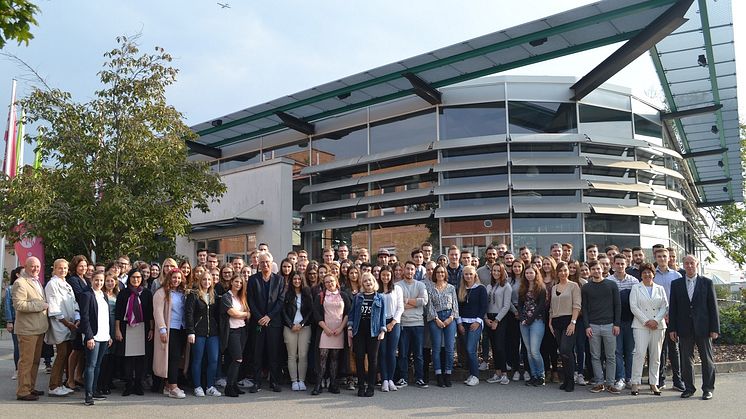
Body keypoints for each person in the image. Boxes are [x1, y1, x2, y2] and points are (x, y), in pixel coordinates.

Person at [669, 255, 720, 400]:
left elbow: (713, 307)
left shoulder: (707, 283)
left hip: (704, 328)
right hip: (684, 328)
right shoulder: (676, 284)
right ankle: (689, 388)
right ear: (683, 265)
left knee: (707, 359)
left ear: (697, 264)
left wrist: (715, 328)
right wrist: (672, 328)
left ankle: (708, 389)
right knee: (686, 359)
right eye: (686, 263)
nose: (689, 266)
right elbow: (673, 308)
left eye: (692, 263)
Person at [247, 252, 286, 392]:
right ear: (258, 263)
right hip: (258, 323)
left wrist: (269, 316)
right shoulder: (253, 280)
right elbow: (250, 300)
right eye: (262, 262)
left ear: (272, 262)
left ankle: (274, 382)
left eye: (267, 261)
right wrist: (259, 318)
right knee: (257, 353)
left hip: (273, 322)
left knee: (274, 353)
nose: (265, 264)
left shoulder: (279, 280)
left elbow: (281, 301)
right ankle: (256, 382)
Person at [12, 257, 49, 401]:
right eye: (32, 266)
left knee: (34, 361)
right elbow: (19, 305)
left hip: (38, 328)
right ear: (25, 266)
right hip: (27, 330)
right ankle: (22, 391)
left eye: (38, 266)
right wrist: (41, 306)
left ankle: (30, 387)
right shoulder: (20, 283)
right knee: (26, 362)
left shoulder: (37, 281)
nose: (35, 269)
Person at [582, 260, 621, 394]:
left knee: (611, 356)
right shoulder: (586, 288)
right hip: (593, 326)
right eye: (593, 269)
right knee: (595, 356)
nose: (596, 271)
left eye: (598, 269)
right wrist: (587, 326)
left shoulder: (611, 285)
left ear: (602, 269)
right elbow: (585, 308)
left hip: (610, 326)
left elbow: (617, 306)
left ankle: (610, 383)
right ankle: (599, 383)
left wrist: (617, 324)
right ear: (590, 271)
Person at [114, 268, 154, 396]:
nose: (136, 280)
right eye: (133, 277)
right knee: (128, 358)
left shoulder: (147, 293)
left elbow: (150, 314)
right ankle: (129, 384)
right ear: (129, 278)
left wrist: (152, 329)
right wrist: (117, 330)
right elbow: (118, 314)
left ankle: (138, 383)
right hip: (127, 327)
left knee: (141, 358)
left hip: (142, 327)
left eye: (138, 277)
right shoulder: (123, 293)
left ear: (142, 279)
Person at [629, 263, 667, 396]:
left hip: (658, 325)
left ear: (653, 274)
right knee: (639, 354)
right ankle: (635, 382)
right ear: (641, 274)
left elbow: (664, 306)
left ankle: (654, 383)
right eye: (644, 272)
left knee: (656, 355)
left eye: (649, 272)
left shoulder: (660, 288)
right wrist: (646, 321)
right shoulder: (636, 288)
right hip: (641, 325)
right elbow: (633, 307)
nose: (647, 274)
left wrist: (655, 320)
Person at [311, 275, 351, 395]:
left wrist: (341, 328)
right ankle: (318, 384)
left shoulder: (343, 295)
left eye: (332, 281)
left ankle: (333, 384)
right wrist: (326, 328)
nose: (329, 283)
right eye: (327, 282)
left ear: (336, 281)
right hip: (325, 331)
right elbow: (316, 314)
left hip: (339, 331)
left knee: (335, 358)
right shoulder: (321, 296)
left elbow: (348, 313)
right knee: (322, 358)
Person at [153, 268, 189, 399]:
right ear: (169, 278)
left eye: (179, 278)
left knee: (177, 358)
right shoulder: (161, 292)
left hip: (181, 328)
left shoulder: (181, 293)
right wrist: (162, 329)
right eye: (174, 277)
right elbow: (157, 312)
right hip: (169, 328)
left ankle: (168, 386)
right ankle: (173, 386)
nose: (176, 280)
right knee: (172, 358)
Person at [44, 259, 78, 397]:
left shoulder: (66, 284)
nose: (63, 270)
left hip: (69, 324)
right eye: (60, 268)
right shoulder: (52, 284)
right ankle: (53, 386)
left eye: (65, 268)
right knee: (61, 355)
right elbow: (54, 307)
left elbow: (74, 303)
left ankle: (59, 384)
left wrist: (77, 318)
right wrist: (66, 323)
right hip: (60, 325)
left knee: (64, 355)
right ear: (54, 269)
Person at [348, 273, 386, 397]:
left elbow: (382, 316)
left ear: (374, 282)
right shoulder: (358, 297)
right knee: (359, 358)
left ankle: (370, 386)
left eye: (370, 280)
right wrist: (350, 327)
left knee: (372, 359)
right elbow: (352, 314)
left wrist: (382, 330)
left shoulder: (380, 298)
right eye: (365, 281)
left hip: (374, 332)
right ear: (362, 284)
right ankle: (361, 386)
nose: (368, 283)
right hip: (359, 331)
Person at [185, 271, 222, 397]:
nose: (207, 282)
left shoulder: (214, 294)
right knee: (197, 360)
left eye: (209, 280)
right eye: (204, 279)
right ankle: (197, 386)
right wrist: (190, 331)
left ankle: (210, 386)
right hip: (198, 332)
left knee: (213, 360)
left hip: (213, 333)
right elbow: (189, 314)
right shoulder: (194, 295)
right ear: (200, 281)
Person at [78, 273, 112, 405]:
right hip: (93, 336)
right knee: (90, 365)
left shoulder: (103, 295)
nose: (99, 283)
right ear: (91, 281)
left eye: (101, 280)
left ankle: (94, 389)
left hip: (104, 335)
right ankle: (88, 394)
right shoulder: (87, 295)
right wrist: (89, 336)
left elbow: (106, 317)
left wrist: (109, 335)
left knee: (98, 365)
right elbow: (85, 318)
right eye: (96, 280)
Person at [653, 247, 684, 391]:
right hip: (657, 318)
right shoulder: (652, 275)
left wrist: (673, 315)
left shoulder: (677, 276)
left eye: (664, 256)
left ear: (669, 258)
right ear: (655, 258)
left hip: (674, 318)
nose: (662, 259)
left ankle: (677, 380)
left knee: (674, 350)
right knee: (660, 350)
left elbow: (680, 298)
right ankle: (660, 379)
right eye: (659, 256)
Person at [548, 261, 581, 392]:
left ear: (569, 271)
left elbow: (577, 306)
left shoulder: (574, 286)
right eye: (560, 270)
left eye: (565, 270)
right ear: (557, 272)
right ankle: (566, 380)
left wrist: (573, 323)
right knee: (562, 352)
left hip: (569, 321)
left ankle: (571, 381)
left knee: (566, 350)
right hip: (556, 323)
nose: (563, 273)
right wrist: (550, 322)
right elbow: (551, 307)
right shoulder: (554, 288)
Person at [397, 260, 429, 388]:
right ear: (404, 270)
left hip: (418, 323)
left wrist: (407, 301)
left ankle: (419, 378)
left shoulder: (420, 285)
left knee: (418, 354)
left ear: (415, 271)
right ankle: (403, 378)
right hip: (404, 323)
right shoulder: (398, 285)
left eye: (412, 269)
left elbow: (424, 301)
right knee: (403, 353)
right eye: (408, 268)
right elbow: (398, 306)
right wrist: (414, 302)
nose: (410, 271)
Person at [608, 254, 638, 391]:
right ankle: (619, 378)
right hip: (615, 323)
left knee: (630, 351)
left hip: (631, 322)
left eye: (622, 264)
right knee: (617, 351)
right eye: (617, 263)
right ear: (613, 265)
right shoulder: (608, 281)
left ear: (626, 264)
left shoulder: (634, 281)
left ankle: (630, 378)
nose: (620, 266)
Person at [425, 264, 458, 388]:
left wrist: (450, 318)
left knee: (449, 348)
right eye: (438, 272)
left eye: (442, 272)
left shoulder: (451, 288)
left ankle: (447, 374)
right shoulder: (430, 288)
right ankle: (438, 374)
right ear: (435, 274)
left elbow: (455, 305)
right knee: (436, 348)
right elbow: (429, 306)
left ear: (445, 274)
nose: (440, 274)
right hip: (435, 318)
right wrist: (436, 319)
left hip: (449, 317)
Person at [219, 274, 250, 397]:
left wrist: (243, 314)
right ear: (231, 282)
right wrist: (245, 314)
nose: (238, 284)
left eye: (240, 283)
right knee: (237, 359)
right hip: (232, 331)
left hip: (242, 330)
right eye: (236, 281)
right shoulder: (227, 297)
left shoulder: (241, 297)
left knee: (237, 360)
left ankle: (234, 385)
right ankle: (229, 387)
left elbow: (247, 313)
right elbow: (232, 313)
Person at [457, 265, 488, 386]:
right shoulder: (460, 289)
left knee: (471, 349)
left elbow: (483, 306)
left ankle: (475, 376)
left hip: (476, 323)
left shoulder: (481, 288)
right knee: (467, 350)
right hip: (463, 323)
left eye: (471, 274)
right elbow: (457, 308)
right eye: (466, 274)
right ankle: (471, 374)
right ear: (463, 276)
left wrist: (478, 321)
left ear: (475, 275)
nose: (468, 276)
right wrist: (459, 323)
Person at [282, 272, 313, 391]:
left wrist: (302, 324)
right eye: (294, 279)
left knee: (303, 355)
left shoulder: (307, 293)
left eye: (299, 279)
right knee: (291, 355)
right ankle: (294, 381)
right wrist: (291, 325)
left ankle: (302, 380)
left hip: (304, 327)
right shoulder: (287, 294)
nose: (297, 281)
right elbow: (283, 311)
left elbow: (310, 311)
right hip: (289, 328)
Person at [518, 264, 546, 386]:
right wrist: (522, 318)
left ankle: (541, 375)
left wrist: (530, 320)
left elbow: (541, 307)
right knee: (529, 351)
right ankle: (534, 375)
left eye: (531, 273)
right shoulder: (522, 287)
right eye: (527, 273)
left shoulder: (541, 288)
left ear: (536, 274)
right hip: (523, 322)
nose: (529, 275)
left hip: (537, 321)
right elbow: (520, 304)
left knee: (535, 350)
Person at [484, 263, 511, 385]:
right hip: (489, 317)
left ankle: (505, 374)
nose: (495, 273)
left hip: (500, 318)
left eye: (498, 271)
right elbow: (485, 304)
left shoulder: (506, 286)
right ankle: (497, 373)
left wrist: (496, 320)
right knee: (494, 347)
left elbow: (506, 306)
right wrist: (485, 318)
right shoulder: (488, 286)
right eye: (494, 270)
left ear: (502, 272)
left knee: (500, 346)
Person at [378, 265, 404, 391]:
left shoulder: (397, 289)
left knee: (391, 353)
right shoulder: (376, 289)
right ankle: (384, 380)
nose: (385, 277)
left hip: (394, 323)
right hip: (380, 324)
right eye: (383, 275)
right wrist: (383, 324)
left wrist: (392, 323)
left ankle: (391, 380)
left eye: (388, 275)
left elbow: (400, 307)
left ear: (391, 275)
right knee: (382, 352)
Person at [97, 273, 119, 395]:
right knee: (103, 357)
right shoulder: (101, 295)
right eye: (107, 281)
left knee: (111, 356)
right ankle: (100, 383)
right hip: (104, 324)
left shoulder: (117, 294)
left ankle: (108, 382)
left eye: (112, 281)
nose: (110, 283)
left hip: (114, 325)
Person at [5, 266, 23, 380]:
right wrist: (9, 321)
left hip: (27, 321)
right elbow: (7, 306)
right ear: (17, 274)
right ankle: (17, 369)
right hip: (16, 320)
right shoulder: (10, 289)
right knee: (17, 346)